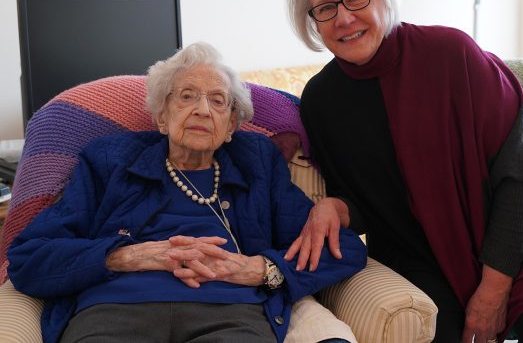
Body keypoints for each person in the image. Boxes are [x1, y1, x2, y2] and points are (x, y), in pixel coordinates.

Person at [284, 0, 523, 343]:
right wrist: (336, 207)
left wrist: (493, 288)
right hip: (424, 248)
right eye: (326, 8)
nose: (344, 17)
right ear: (313, 21)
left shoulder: (452, 54)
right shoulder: (321, 100)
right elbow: (368, 204)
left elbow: (522, 178)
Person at [7, 42, 367, 343]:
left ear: (230, 127)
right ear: (161, 116)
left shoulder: (257, 165)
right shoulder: (109, 160)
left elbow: (344, 249)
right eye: (187, 96)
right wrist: (127, 257)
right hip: (114, 312)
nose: (202, 109)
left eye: (218, 101)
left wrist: (261, 269)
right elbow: (28, 257)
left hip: (231, 314)